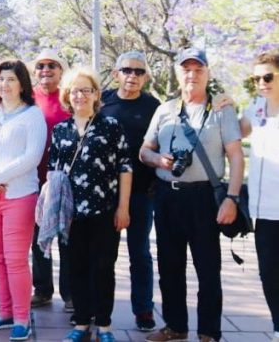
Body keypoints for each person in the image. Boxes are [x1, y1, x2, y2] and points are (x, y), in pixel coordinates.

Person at [140, 48, 243, 342]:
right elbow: (144, 150)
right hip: (168, 196)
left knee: (208, 268)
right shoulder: (165, 110)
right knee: (169, 266)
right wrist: (158, 159)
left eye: (198, 69)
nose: (192, 75)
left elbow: (236, 157)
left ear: (207, 73)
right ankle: (175, 326)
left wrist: (231, 198)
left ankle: (209, 331)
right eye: (186, 69)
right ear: (177, 73)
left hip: (204, 199)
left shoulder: (222, 110)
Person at [53, 67, 132, 342]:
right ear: (67, 95)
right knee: (76, 267)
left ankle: (105, 325)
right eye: (74, 90)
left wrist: (123, 207)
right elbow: (55, 174)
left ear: (96, 94)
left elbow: (125, 166)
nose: (80, 95)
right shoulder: (60, 130)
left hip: (105, 210)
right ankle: (82, 322)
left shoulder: (110, 126)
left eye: (85, 90)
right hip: (71, 214)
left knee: (102, 267)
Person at [0, 59, 46, 341]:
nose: (5, 84)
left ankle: (21, 318)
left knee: (15, 259)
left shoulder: (32, 115)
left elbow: (32, 157)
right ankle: (3, 313)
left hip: (19, 196)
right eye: (1, 79)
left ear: (22, 84)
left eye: (11, 79)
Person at [99, 51, 160, 332]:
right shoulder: (103, 101)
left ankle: (144, 310)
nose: (132, 76)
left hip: (141, 193)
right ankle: (100, 312)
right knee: (103, 256)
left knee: (140, 253)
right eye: (127, 70)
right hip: (105, 193)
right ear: (116, 74)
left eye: (138, 72)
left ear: (145, 77)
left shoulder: (153, 106)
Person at [26, 49, 73, 313]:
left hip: (65, 180)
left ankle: (70, 293)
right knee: (37, 239)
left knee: (67, 239)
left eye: (52, 65)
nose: (46, 70)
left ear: (61, 71)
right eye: (41, 66)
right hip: (34, 181)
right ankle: (42, 290)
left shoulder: (70, 96)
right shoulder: (28, 98)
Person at [240, 50, 279, 342]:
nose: (261, 82)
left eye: (268, 76)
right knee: (270, 276)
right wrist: (223, 106)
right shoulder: (256, 108)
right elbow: (235, 132)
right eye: (257, 78)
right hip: (263, 212)